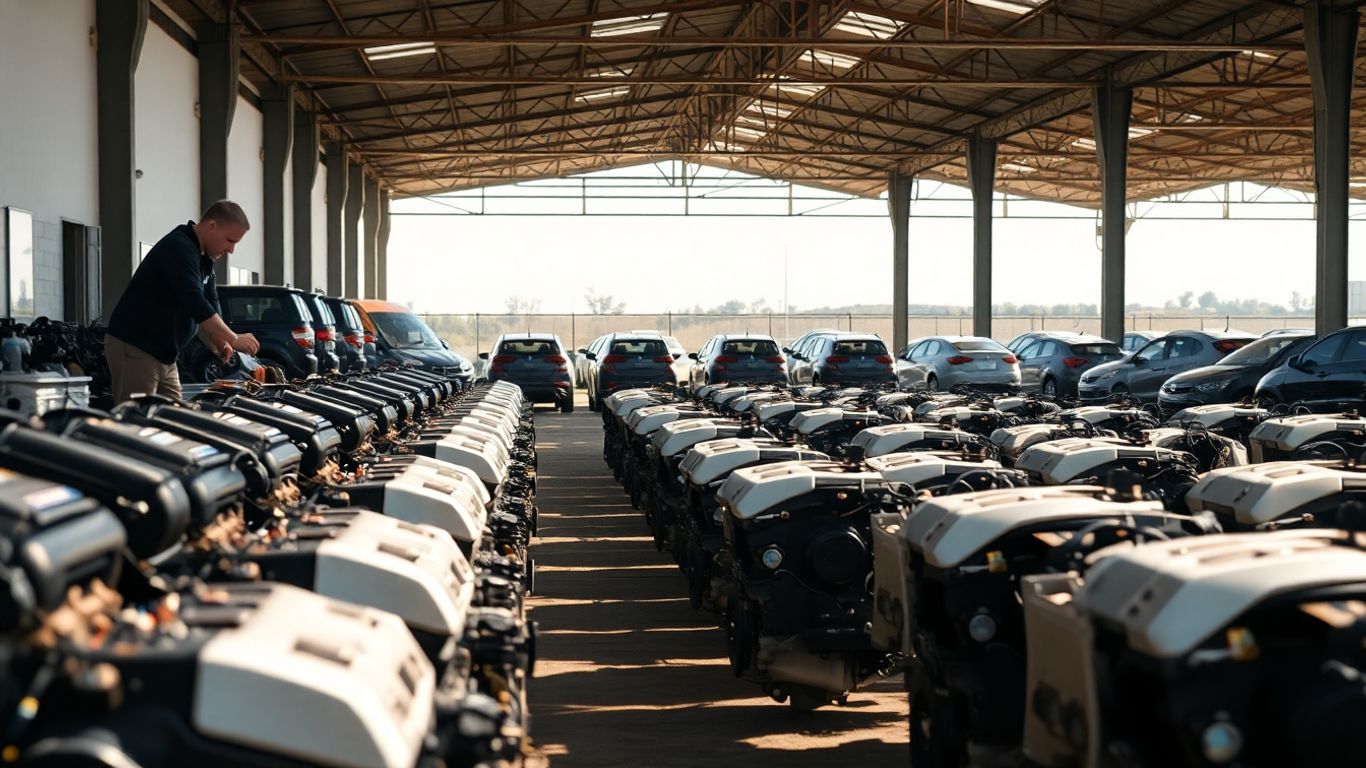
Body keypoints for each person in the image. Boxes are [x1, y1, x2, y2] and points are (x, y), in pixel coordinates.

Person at [105, 201, 261, 403]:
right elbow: (193, 300)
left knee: (174, 418)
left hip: (165, 354)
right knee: (138, 420)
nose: (231, 250)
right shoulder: (180, 247)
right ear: (211, 226)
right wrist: (234, 338)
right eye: (229, 240)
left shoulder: (204, 259)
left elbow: (210, 303)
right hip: (137, 348)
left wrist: (220, 341)